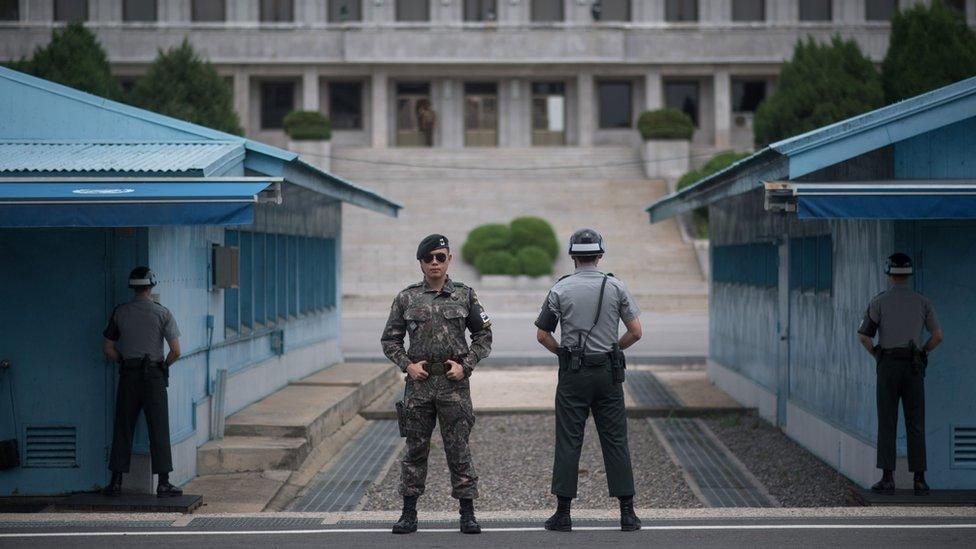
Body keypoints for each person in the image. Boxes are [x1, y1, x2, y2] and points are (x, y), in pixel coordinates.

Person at [381, 234, 492, 534]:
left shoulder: (465, 295)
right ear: (420, 262)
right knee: (415, 449)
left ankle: (467, 513)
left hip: (453, 385)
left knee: (459, 449)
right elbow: (390, 340)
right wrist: (407, 365)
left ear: (449, 260)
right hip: (419, 385)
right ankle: (409, 513)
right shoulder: (406, 298)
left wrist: (465, 366)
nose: (434, 263)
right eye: (428, 258)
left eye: (440, 257)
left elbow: (484, 336)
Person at [535, 228, 642, 532]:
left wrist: (563, 354)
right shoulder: (616, 286)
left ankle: (564, 514)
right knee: (616, 439)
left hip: (574, 373)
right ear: (600, 255)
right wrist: (613, 349)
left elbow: (543, 334)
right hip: (608, 373)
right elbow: (636, 332)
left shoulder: (561, 289)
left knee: (569, 440)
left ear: (572, 256)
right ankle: (627, 513)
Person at [857, 252, 943, 496]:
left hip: (888, 366)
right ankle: (919, 479)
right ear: (910, 273)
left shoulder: (879, 302)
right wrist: (923, 352)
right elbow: (938, 336)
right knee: (915, 422)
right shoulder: (923, 302)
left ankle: (887, 478)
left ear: (889, 273)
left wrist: (877, 354)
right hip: (914, 366)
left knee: (888, 421)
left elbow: (863, 336)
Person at [101, 266, 183, 498]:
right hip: (154, 375)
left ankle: (116, 482)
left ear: (132, 287)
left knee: (123, 426)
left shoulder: (120, 312)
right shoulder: (162, 313)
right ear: (152, 285)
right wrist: (163, 366)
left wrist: (123, 362)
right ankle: (163, 483)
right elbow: (176, 351)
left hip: (129, 374)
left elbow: (108, 348)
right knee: (158, 427)